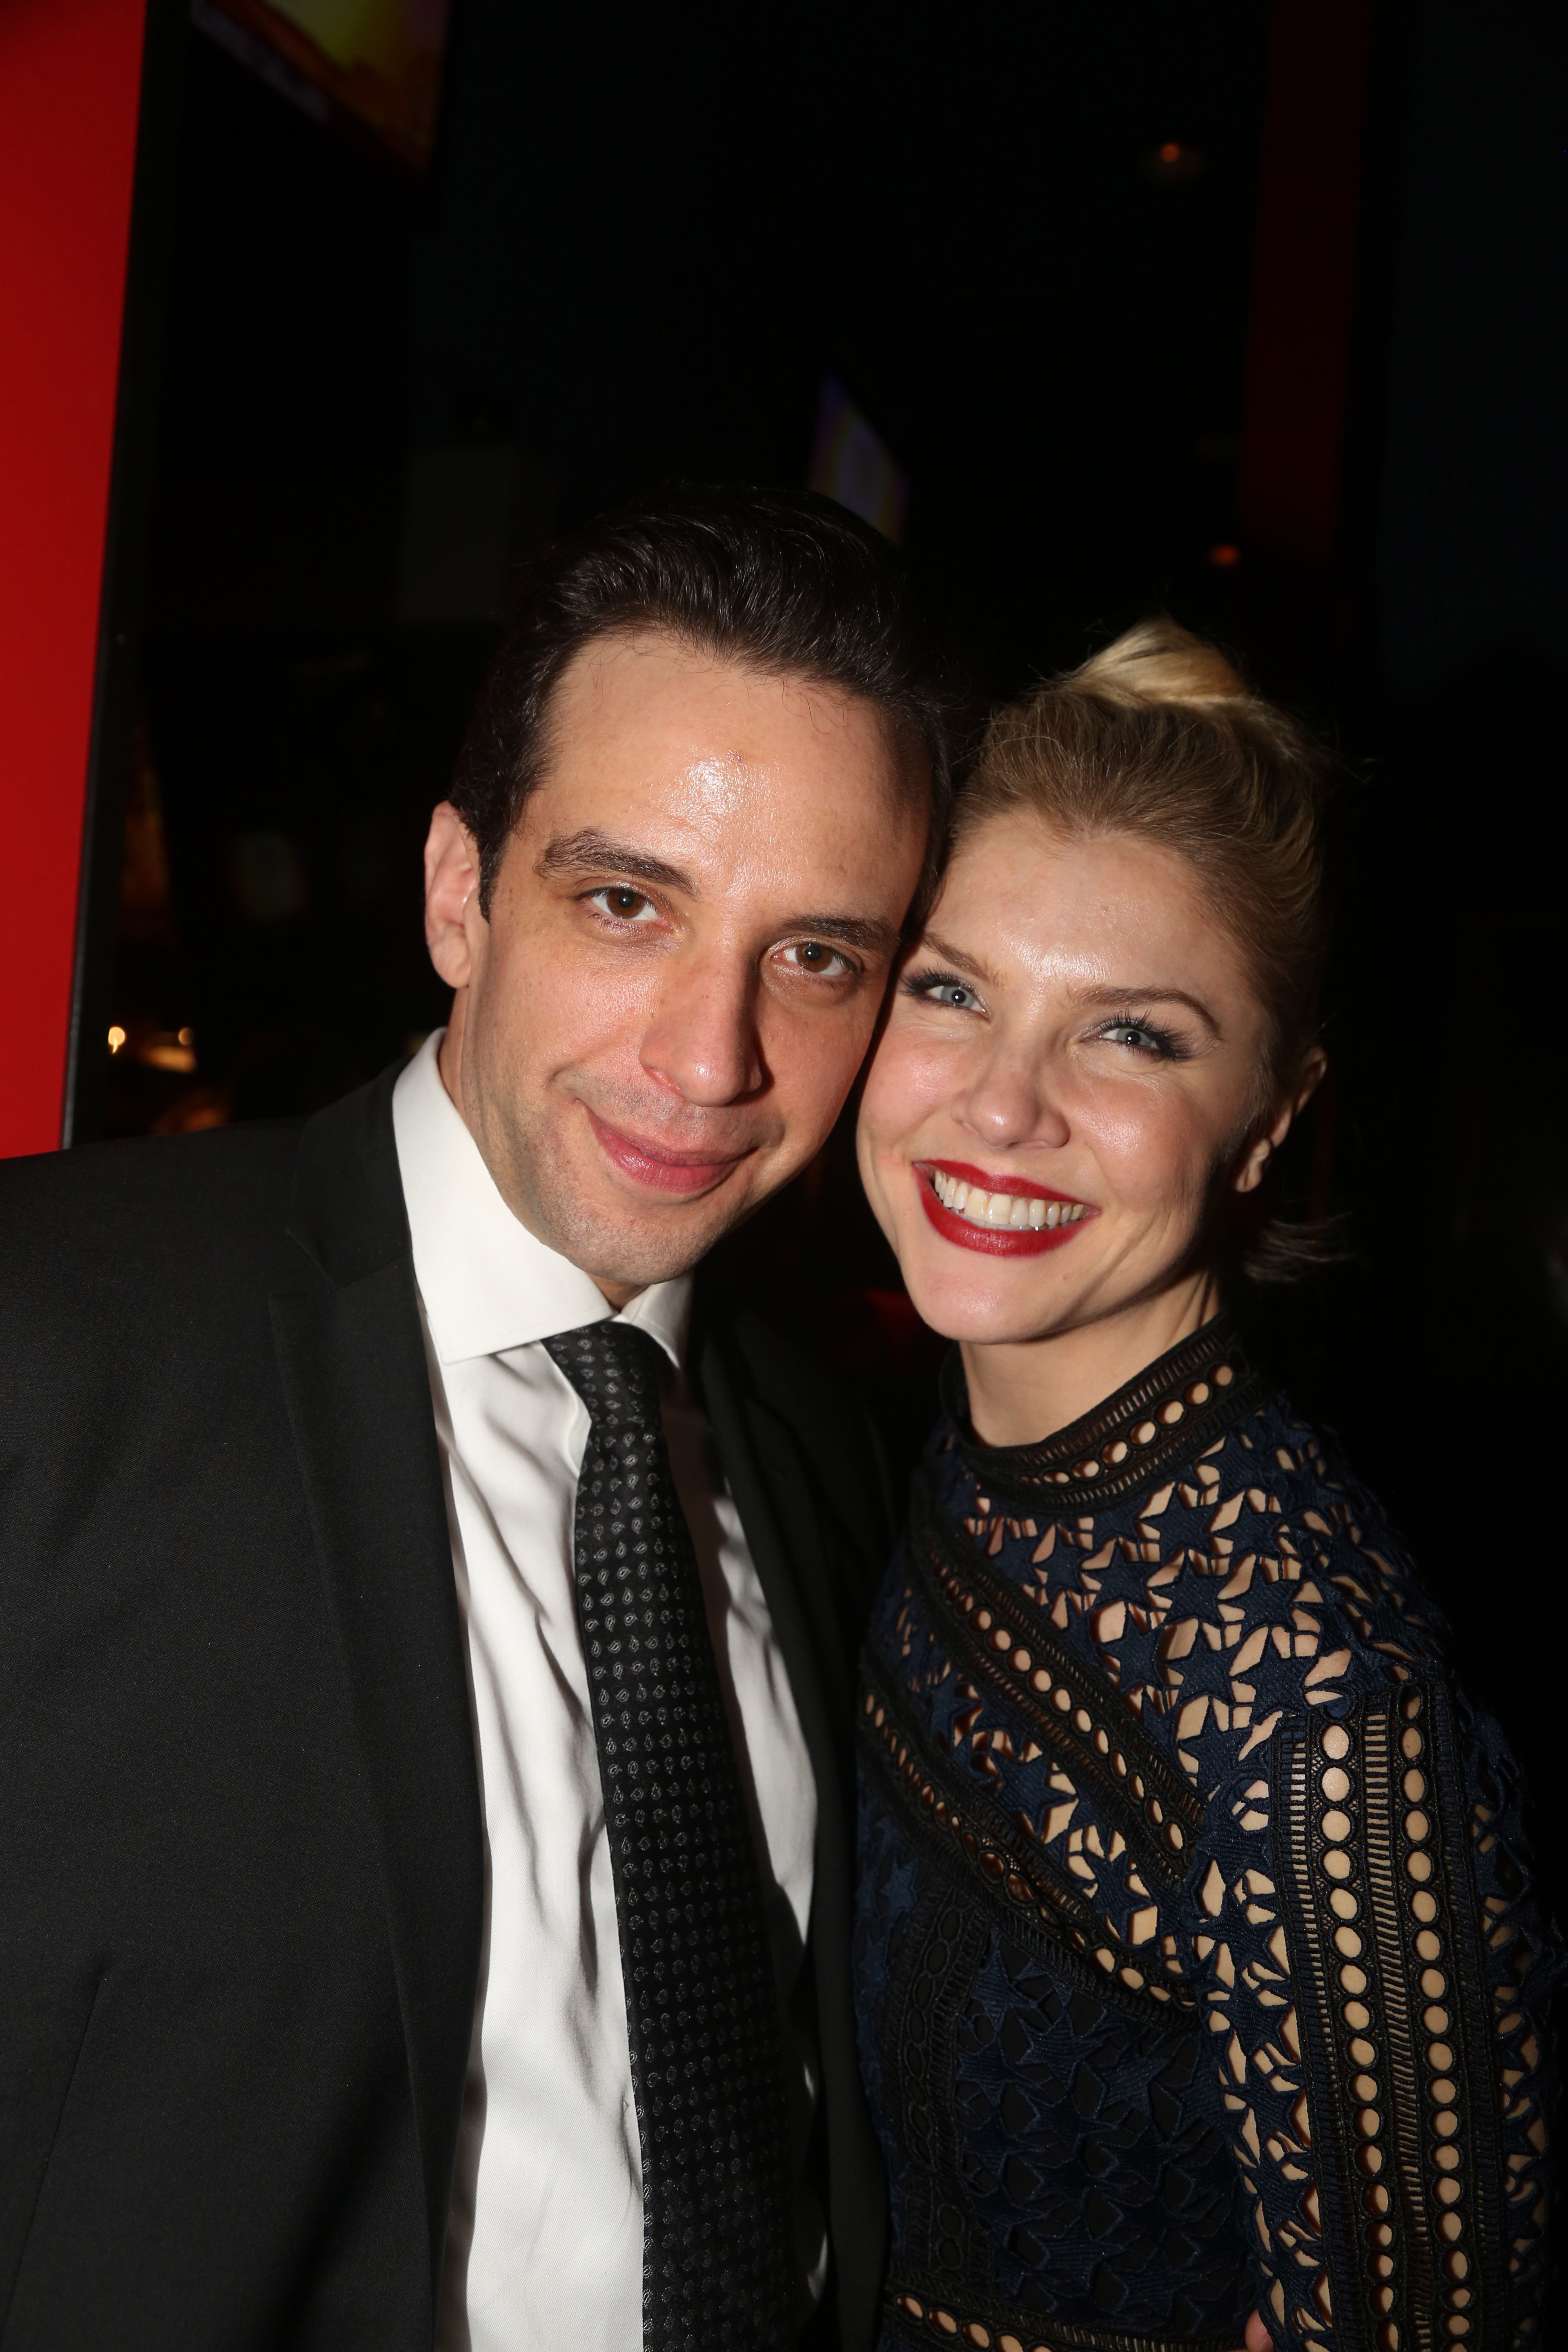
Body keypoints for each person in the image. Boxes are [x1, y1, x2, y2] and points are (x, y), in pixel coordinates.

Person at [0, 487, 961, 2352]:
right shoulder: (52, 1339)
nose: (711, 1058)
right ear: (461, 892)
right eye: (629, 903)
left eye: (817, 956)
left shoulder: (825, 1446)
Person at [850, 621, 1556, 2352]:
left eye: (1136, 1039)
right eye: (953, 991)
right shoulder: (959, 1456)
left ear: (1270, 1120)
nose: (1003, 1106)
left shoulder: (1320, 1702)